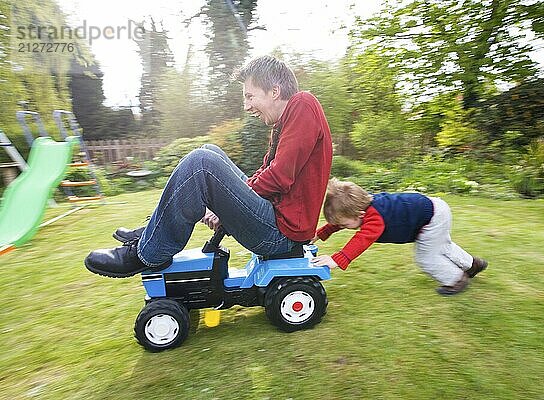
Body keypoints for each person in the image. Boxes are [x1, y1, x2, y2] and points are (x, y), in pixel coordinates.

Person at [85, 55, 333, 278]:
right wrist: (230, 201)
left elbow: (279, 177)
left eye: (249, 96)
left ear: (275, 91)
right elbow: (268, 172)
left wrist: (226, 205)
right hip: (276, 218)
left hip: (281, 234)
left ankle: (148, 254)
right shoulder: (284, 121)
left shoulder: (302, 104)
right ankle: (153, 233)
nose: (246, 106)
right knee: (208, 151)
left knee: (201, 163)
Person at [310, 179, 488, 295]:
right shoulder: (363, 208)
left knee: (427, 257)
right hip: (436, 208)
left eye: (345, 225)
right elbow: (339, 223)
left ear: (360, 214)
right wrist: (319, 234)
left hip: (431, 219)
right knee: (442, 246)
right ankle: (472, 265)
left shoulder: (375, 218)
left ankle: (456, 279)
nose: (342, 227)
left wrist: (337, 259)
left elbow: (362, 240)